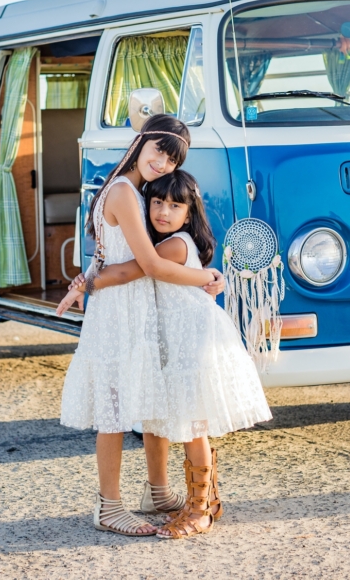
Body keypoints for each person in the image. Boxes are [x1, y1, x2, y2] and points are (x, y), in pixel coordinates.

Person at [59, 170, 272, 539]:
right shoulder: (172, 241)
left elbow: (132, 269)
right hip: (176, 338)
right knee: (171, 417)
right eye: (157, 202)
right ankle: (174, 496)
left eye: (174, 206)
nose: (163, 211)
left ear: (188, 214)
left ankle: (201, 507)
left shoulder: (172, 246)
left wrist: (86, 283)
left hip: (191, 340)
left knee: (192, 424)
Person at [59, 115, 224, 537]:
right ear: (141, 142)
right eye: (160, 152)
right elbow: (150, 265)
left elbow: (105, 259)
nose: (164, 164)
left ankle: (157, 492)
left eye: (173, 160)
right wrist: (207, 276)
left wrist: (84, 283)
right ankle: (109, 507)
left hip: (130, 306)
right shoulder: (124, 193)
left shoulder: (128, 190)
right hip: (120, 312)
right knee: (113, 410)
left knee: (145, 397)